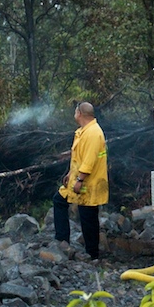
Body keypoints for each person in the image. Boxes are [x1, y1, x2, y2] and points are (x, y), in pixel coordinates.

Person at [53, 102, 108, 260]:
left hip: (88, 184)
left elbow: (89, 161)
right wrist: (71, 173)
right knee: (60, 200)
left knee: (88, 217)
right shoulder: (84, 131)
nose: (74, 113)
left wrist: (79, 179)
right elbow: (80, 158)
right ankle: (62, 241)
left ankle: (92, 254)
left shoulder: (93, 133)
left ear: (80, 113)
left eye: (75, 111)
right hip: (80, 180)